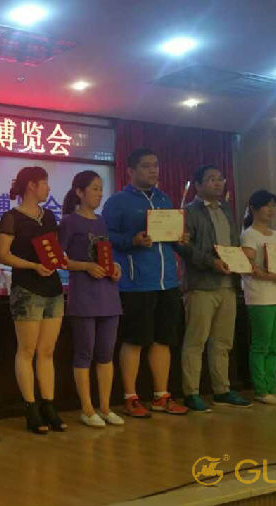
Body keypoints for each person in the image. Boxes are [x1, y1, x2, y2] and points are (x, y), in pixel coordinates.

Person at [101, 148, 189, 417]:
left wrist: (180, 238)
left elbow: (170, 238)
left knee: (163, 340)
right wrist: (132, 240)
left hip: (167, 282)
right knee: (135, 340)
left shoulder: (164, 199)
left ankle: (161, 396)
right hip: (136, 281)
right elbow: (104, 237)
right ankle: (130, 397)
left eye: (156, 165)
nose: (153, 170)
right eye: (146, 166)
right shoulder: (118, 202)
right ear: (130, 170)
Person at [0, 166, 67, 434]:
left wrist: (61, 261)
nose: (48, 188)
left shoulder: (48, 216)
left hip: (53, 288)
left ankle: (49, 404)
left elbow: (54, 249)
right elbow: (2, 254)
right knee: (27, 350)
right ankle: (30, 407)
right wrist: (33, 266)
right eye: (44, 183)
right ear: (31, 186)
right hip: (27, 288)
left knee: (47, 351)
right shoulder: (11, 217)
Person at [177, 165, 251, 412]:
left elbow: (233, 243)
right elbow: (183, 247)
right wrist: (211, 262)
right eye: (211, 179)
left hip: (227, 285)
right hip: (201, 285)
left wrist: (240, 260)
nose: (218, 183)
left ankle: (222, 390)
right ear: (198, 185)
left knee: (222, 342)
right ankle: (191, 392)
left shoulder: (227, 209)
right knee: (195, 341)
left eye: (220, 179)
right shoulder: (189, 212)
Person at [59, 170, 125, 428]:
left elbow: (106, 254)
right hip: (84, 295)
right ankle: (87, 409)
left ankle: (105, 407)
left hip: (108, 294)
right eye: (94, 188)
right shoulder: (69, 222)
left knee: (106, 353)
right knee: (84, 352)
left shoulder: (101, 221)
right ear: (79, 192)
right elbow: (58, 258)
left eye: (100, 188)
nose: (99, 193)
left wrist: (115, 267)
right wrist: (84, 266)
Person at [240, 190, 276, 405]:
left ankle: (273, 386)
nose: (271, 209)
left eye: (273, 205)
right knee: (261, 344)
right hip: (260, 295)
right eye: (266, 205)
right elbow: (249, 268)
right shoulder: (249, 235)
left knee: (275, 346)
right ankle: (261, 389)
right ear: (253, 208)